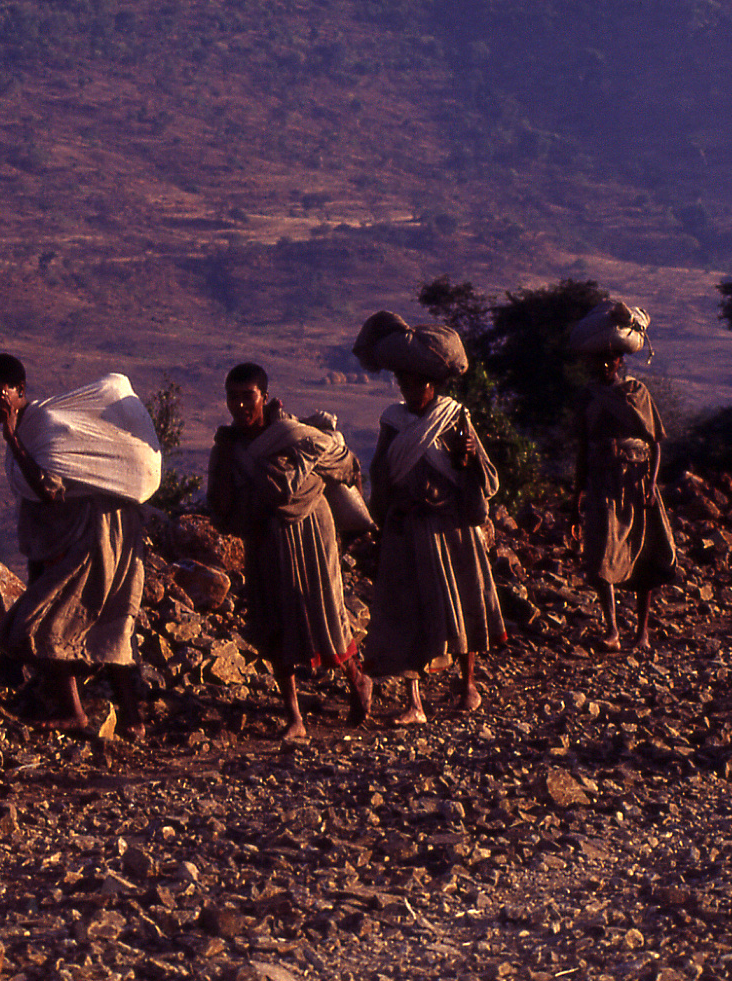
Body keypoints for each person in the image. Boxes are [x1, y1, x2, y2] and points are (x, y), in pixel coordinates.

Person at [0, 353, 151, 738]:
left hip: (98, 539)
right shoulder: (30, 429)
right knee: (95, 622)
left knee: (51, 622)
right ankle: (124, 718)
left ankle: (88, 714)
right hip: (74, 540)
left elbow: (50, 491)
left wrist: (12, 439)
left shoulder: (43, 428)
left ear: (20, 390)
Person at [208, 362, 372, 741]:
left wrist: (287, 484)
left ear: (264, 397)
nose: (239, 406)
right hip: (264, 539)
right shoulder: (229, 447)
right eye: (232, 398)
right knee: (273, 621)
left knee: (326, 611)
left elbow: (336, 463)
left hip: (312, 531)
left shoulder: (293, 435)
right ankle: (295, 718)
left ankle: (358, 678)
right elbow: (220, 499)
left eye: (247, 397)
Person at [358, 313, 508, 723]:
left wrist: (466, 462)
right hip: (407, 528)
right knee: (408, 609)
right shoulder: (393, 421)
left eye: (414, 381)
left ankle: (468, 686)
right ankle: (414, 702)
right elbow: (381, 471)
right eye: (402, 381)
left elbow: (482, 473)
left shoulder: (454, 417)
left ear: (432, 383)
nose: (407, 389)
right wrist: (387, 507)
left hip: (450, 528)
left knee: (460, 603)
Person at [571, 302, 676, 652]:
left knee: (643, 552)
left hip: (636, 481)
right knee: (602, 555)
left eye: (610, 359)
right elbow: (583, 449)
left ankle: (642, 632)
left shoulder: (636, 393)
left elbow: (656, 442)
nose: (604, 365)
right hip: (602, 482)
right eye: (598, 360)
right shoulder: (588, 397)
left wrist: (651, 484)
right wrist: (576, 498)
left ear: (620, 360)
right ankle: (612, 630)